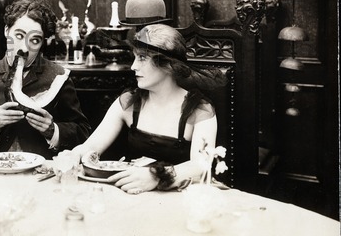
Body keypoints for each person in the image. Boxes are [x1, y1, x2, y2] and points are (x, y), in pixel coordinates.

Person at [68, 24, 226, 195]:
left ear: (168, 65)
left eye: (142, 58)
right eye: (135, 57)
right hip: (133, 196)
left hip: (180, 200)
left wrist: (157, 176)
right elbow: (90, 147)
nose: (133, 66)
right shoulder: (129, 102)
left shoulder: (199, 110)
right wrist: (72, 156)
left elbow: (201, 166)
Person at [0, 0, 91, 159]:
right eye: (19, 36)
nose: (25, 48)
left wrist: (53, 130)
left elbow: (84, 131)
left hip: (42, 171)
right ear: (6, 31)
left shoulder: (58, 77)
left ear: (42, 44)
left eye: (34, 40)